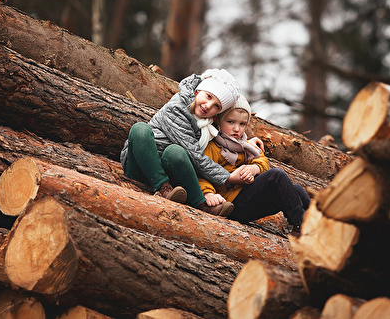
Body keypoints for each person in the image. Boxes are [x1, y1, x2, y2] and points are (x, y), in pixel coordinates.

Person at [120, 68, 249, 217]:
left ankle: (200, 204)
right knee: (140, 129)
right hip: (140, 166)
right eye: (208, 96)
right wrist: (228, 177)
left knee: (176, 152)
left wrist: (245, 143)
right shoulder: (177, 108)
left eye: (217, 106)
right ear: (198, 91)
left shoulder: (207, 122)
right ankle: (165, 188)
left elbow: (224, 135)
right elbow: (195, 155)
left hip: (168, 170)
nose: (208, 105)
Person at [198, 95, 310, 234]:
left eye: (242, 124)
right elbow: (202, 174)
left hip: (250, 199)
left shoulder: (244, 145)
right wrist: (208, 193)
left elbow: (261, 160)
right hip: (231, 203)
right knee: (277, 175)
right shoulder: (212, 146)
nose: (236, 129)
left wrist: (254, 168)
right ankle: (300, 224)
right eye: (231, 122)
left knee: (297, 190)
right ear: (219, 121)